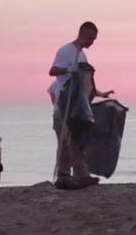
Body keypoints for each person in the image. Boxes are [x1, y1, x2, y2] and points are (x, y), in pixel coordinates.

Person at [47, 21, 114, 190]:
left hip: (77, 104)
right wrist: (70, 70)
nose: (92, 42)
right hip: (64, 102)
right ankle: (63, 176)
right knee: (65, 140)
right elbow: (52, 71)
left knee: (76, 139)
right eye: (90, 38)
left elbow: (82, 82)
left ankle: (81, 175)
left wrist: (99, 93)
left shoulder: (82, 55)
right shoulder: (66, 51)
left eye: (94, 39)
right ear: (82, 34)